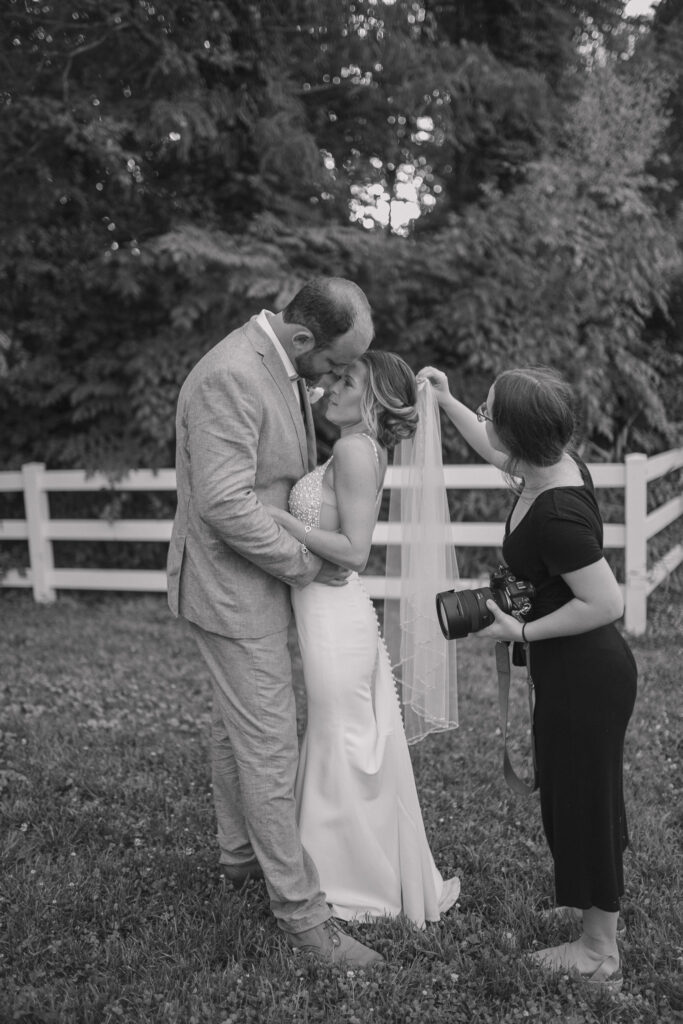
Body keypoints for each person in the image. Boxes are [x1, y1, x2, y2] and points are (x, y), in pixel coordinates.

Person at [167, 276, 384, 967]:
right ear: (299, 338)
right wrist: (304, 563)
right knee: (267, 742)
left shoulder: (281, 363)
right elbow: (225, 506)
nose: (332, 377)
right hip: (232, 589)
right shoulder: (231, 376)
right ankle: (302, 917)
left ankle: (238, 856)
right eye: (331, 362)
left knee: (237, 729)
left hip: (254, 582)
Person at [418, 364, 637, 991]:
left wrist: (520, 633)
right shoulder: (546, 466)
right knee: (570, 799)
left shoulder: (557, 513)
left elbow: (607, 602)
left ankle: (599, 952)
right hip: (570, 671)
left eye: (489, 411)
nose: (484, 420)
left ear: (521, 436)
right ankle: (586, 908)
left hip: (587, 677)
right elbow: (494, 447)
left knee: (588, 805)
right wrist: (447, 401)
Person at [266, 351, 460, 927]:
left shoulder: (355, 449)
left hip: (333, 615)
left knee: (340, 741)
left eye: (346, 380)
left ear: (372, 400)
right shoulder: (357, 447)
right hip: (329, 611)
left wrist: (281, 522)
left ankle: (343, 881)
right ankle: (337, 869)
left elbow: (354, 550)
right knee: (343, 739)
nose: (332, 385)